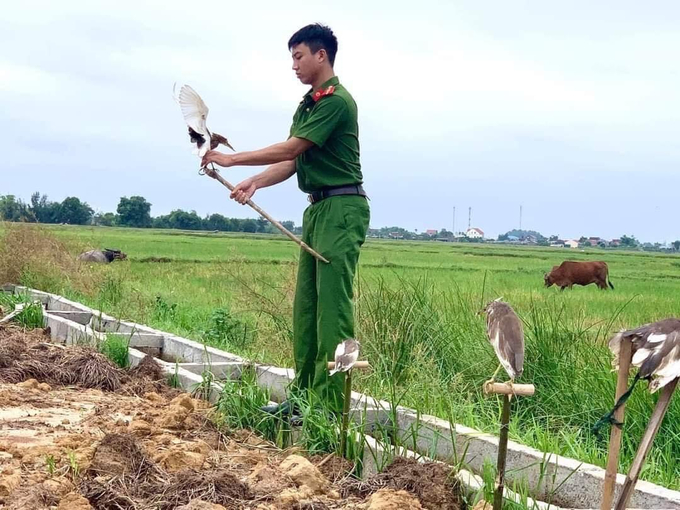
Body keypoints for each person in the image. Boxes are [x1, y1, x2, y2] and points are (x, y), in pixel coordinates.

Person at [201, 23, 369, 416]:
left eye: (298, 56)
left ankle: (331, 406)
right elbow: (294, 161)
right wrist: (255, 181)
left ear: (320, 55)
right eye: (291, 58)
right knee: (307, 308)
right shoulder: (309, 103)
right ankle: (306, 398)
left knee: (335, 310)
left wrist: (231, 157)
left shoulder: (336, 101)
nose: (293, 65)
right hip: (318, 209)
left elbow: (294, 146)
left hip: (343, 209)